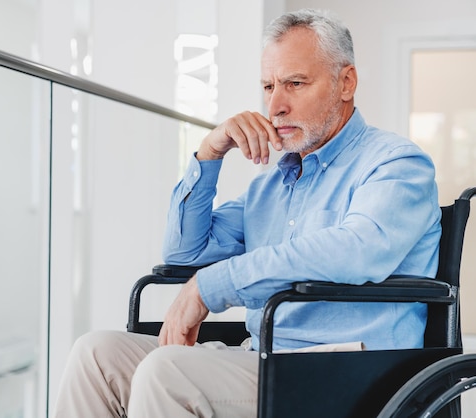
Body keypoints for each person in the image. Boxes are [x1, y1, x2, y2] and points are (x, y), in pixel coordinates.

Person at [54, 8, 441, 418]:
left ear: (346, 83)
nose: (275, 105)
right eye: (268, 86)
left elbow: (356, 249)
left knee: (167, 372)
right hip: (261, 357)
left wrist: (211, 286)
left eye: (294, 83)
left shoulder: (397, 163)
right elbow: (183, 254)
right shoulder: (270, 186)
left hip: (347, 369)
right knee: (96, 354)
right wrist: (210, 153)